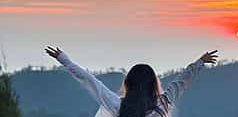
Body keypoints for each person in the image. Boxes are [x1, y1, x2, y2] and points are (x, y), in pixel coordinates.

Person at [45, 46, 218, 117]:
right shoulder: (163, 103)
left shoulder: (119, 105)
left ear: (129, 83)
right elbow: (182, 80)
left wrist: (65, 60)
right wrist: (200, 62)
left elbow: (90, 80)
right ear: (153, 83)